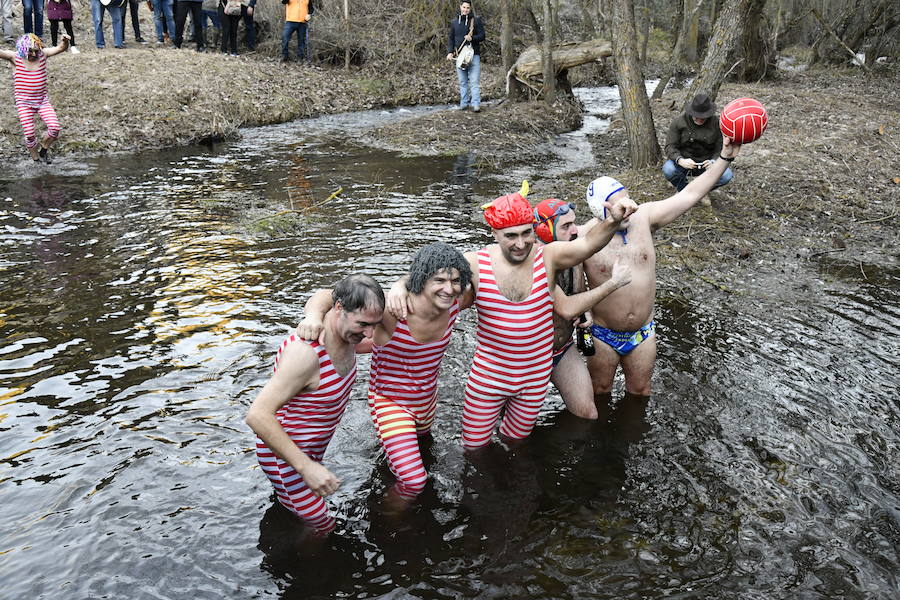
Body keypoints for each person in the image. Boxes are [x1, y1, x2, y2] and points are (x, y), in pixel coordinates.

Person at [389, 184, 638, 450]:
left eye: (526, 233)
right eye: (510, 236)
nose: (520, 244)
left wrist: (612, 221)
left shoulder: (548, 256)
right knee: (474, 449)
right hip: (489, 379)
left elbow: (587, 244)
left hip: (534, 381)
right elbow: (430, 275)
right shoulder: (475, 263)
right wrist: (400, 284)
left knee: (516, 446)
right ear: (494, 233)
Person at [298, 243, 472, 509]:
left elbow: (488, 269)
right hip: (390, 402)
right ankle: (384, 518)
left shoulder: (454, 303)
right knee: (414, 481)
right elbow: (327, 295)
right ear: (422, 279)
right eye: (439, 280)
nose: (449, 289)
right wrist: (312, 316)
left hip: (427, 401)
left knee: (425, 450)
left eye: (455, 281)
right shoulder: (394, 311)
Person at [581, 136, 743, 399]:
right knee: (599, 392)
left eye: (628, 200)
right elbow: (552, 264)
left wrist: (725, 157)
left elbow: (690, 194)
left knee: (641, 392)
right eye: (619, 205)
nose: (628, 208)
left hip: (643, 333)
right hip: (601, 334)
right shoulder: (583, 238)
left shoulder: (643, 217)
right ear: (600, 210)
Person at [245, 275, 385, 536]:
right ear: (340, 309)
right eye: (363, 324)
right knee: (322, 526)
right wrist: (306, 467)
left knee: (299, 512)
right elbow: (257, 415)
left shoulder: (346, 336)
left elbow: (325, 295)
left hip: (309, 453)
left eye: (374, 324)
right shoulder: (307, 355)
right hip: (285, 459)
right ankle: (305, 572)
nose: (369, 332)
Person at [531, 198, 633, 420]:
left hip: (562, 349)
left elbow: (577, 292)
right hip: (528, 357)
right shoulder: (533, 260)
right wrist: (613, 283)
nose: (575, 230)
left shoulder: (573, 252)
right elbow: (565, 308)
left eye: (574, 223)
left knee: (588, 414)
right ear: (545, 231)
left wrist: (585, 310)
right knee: (515, 429)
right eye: (566, 226)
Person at [1, 33, 70, 163]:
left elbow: (61, 48)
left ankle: (44, 149)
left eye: (35, 51)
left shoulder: (43, 54)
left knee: (55, 129)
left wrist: (65, 41)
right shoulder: (15, 57)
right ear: (22, 49)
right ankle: (36, 161)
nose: (33, 54)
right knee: (29, 134)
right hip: (24, 102)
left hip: (42, 101)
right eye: (30, 51)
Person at [662, 92, 734, 193]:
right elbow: (670, 146)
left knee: (727, 175)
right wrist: (680, 160)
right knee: (668, 169)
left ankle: (700, 192)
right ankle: (684, 190)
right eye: (696, 116)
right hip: (684, 162)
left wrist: (713, 162)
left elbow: (721, 147)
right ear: (691, 112)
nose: (699, 119)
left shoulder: (717, 124)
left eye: (703, 117)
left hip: (706, 164)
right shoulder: (679, 122)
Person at [445, 1, 484, 112]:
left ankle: (476, 104)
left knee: (474, 81)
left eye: (468, 8)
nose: (465, 9)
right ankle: (464, 103)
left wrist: (472, 38)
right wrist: (450, 52)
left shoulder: (476, 21)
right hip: (459, 56)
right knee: (462, 81)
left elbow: (482, 36)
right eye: (464, 7)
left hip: (474, 55)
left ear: (470, 9)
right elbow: (451, 38)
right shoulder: (454, 22)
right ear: (460, 7)